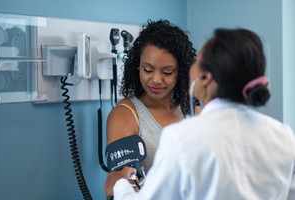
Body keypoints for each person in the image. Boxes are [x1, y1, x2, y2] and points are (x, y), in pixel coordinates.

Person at [105, 27, 295, 199]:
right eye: (148, 69)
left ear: (204, 78)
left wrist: (119, 186)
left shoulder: (182, 137)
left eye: (195, 63)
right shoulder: (284, 135)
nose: (156, 79)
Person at [106, 19, 197, 175]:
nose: (156, 80)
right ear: (137, 67)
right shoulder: (125, 115)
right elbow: (122, 182)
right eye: (148, 70)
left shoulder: (192, 109)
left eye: (167, 72)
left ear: (181, 73)